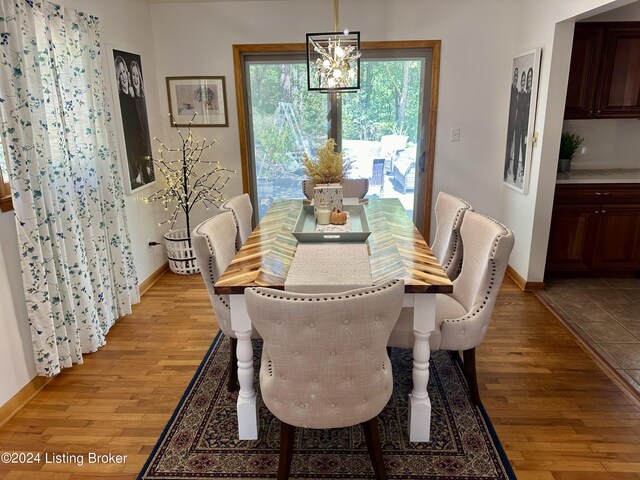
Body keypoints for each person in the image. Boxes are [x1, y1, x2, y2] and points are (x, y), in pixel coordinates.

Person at [129, 60, 154, 185]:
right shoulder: (133, 102)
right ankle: (140, 171)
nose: (135, 78)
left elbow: (147, 132)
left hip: (146, 147)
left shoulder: (144, 101)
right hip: (140, 147)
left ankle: (145, 168)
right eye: (132, 75)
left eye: (136, 75)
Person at [513, 70, 527, 183]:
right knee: (516, 146)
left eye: (523, 79)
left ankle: (522, 170)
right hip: (517, 123)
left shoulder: (527, 95)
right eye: (521, 79)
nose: (522, 81)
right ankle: (514, 171)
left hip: (525, 125)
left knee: (524, 147)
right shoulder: (517, 94)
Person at [504, 67, 518, 181]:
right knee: (507, 150)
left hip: (514, 126)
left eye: (517, 77)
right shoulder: (509, 91)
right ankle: (505, 171)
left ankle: (508, 169)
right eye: (515, 76)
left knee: (510, 150)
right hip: (507, 127)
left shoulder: (517, 92)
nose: (516, 78)